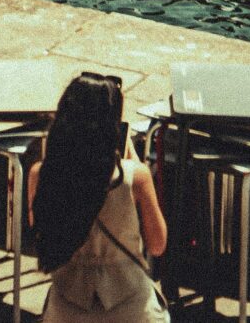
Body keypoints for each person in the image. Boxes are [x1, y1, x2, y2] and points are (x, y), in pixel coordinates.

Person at [29, 72, 168, 322]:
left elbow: (39, 229)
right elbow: (157, 245)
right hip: (132, 310)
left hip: (67, 310)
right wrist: (133, 161)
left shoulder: (41, 174)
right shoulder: (135, 178)